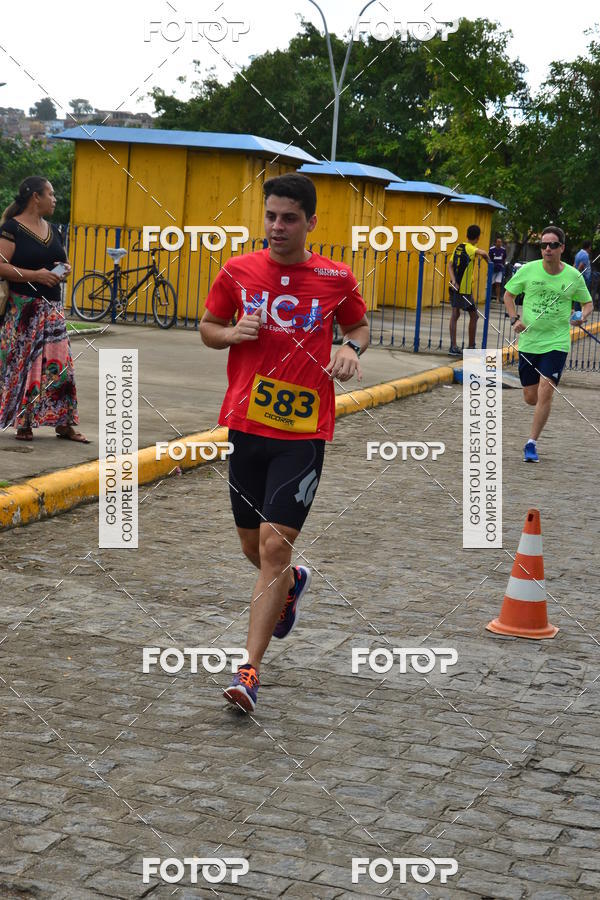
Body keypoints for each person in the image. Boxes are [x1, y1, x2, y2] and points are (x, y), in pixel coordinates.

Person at [200, 173, 368, 712]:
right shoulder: (238, 270)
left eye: (289, 217)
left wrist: (350, 348)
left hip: (304, 432)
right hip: (247, 426)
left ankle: (248, 672)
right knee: (253, 548)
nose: (277, 226)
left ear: (311, 222)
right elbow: (208, 326)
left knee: (273, 546)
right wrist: (231, 334)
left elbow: (360, 327)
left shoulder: (335, 276)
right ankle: (292, 584)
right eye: (270, 215)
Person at [0, 176, 89, 443]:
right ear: (35, 197)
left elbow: (60, 261)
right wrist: (35, 276)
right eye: (50, 194)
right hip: (23, 310)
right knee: (25, 366)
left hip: (52, 310)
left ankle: (63, 422)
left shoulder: (52, 229)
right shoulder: (11, 229)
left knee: (59, 367)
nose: (54, 199)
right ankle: (23, 421)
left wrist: (65, 270)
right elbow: (1, 265)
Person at [503, 225, 592, 463]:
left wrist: (582, 316)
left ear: (562, 248)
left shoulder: (573, 276)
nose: (548, 249)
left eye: (553, 245)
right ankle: (533, 430)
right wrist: (515, 319)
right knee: (530, 397)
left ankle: (531, 443)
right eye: (544, 245)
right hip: (530, 342)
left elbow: (587, 303)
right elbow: (508, 295)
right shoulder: (529, 271)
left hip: (557, 342)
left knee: (546, 390)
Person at [448, 224, 490, 356]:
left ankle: (457, 346)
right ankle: (466, 347)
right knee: (471, 315)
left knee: (457, 314)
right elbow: (483, 253)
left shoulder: (458, 247)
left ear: (466, 235)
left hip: (455, 286)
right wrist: (490, 262)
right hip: (463, 290)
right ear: (477, 238)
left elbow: (450, 265)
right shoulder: (470, 248)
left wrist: (453, 280)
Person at [489, 235, 507, 303]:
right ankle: (489, 297)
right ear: (495, 243)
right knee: (490, 283)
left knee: (498, 283)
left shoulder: (503, 250)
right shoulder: (491, 249)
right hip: (493, 269)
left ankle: (497, 298)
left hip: (499, 269)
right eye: (498, 242)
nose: (499, 243)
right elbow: (489, 258)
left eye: (500, 242)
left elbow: (504, 258)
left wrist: (503, 266)